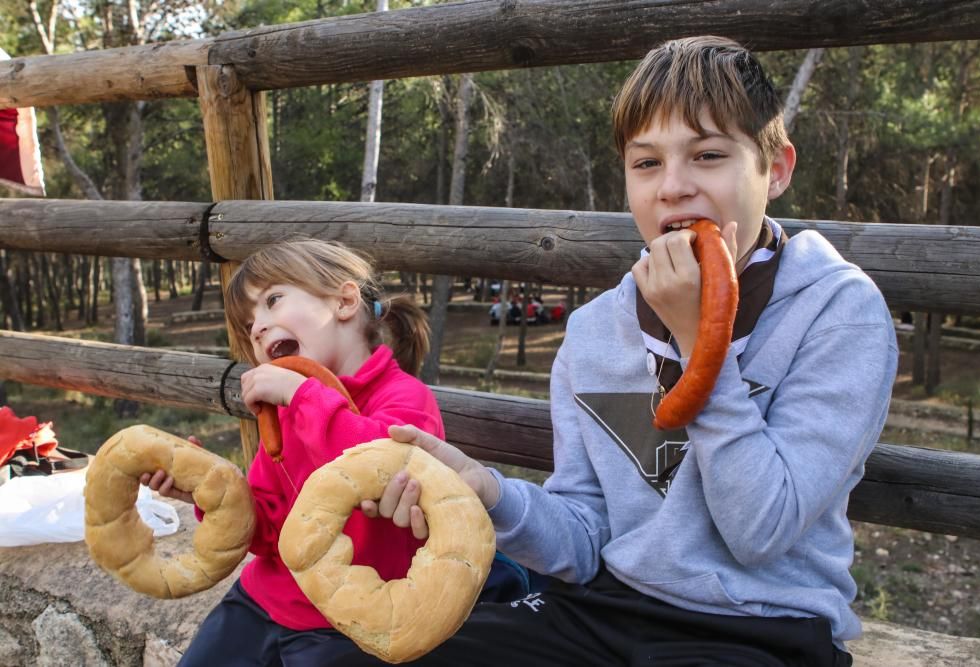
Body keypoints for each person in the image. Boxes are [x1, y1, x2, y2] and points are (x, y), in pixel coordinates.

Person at [336, 36, 897, 666]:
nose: (674, 187)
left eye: (708, 154)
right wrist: (485, 490)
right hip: (604, 606)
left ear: (778, 168)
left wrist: (697, 339)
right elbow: (584, 535)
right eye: (647, 163)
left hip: (760, 625)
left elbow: (761, 530)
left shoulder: (838, 313)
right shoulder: (594, 331)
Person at [141, 239, 531, 666]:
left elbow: (381, 462)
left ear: (344, 301)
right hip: (260, 602)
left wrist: (303, 396)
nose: (256, 327)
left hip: (348, 619)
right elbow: (270, 531)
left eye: (272, 301)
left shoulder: (404, 398)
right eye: (248, 323)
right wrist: (210, 495)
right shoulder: (289, 416)